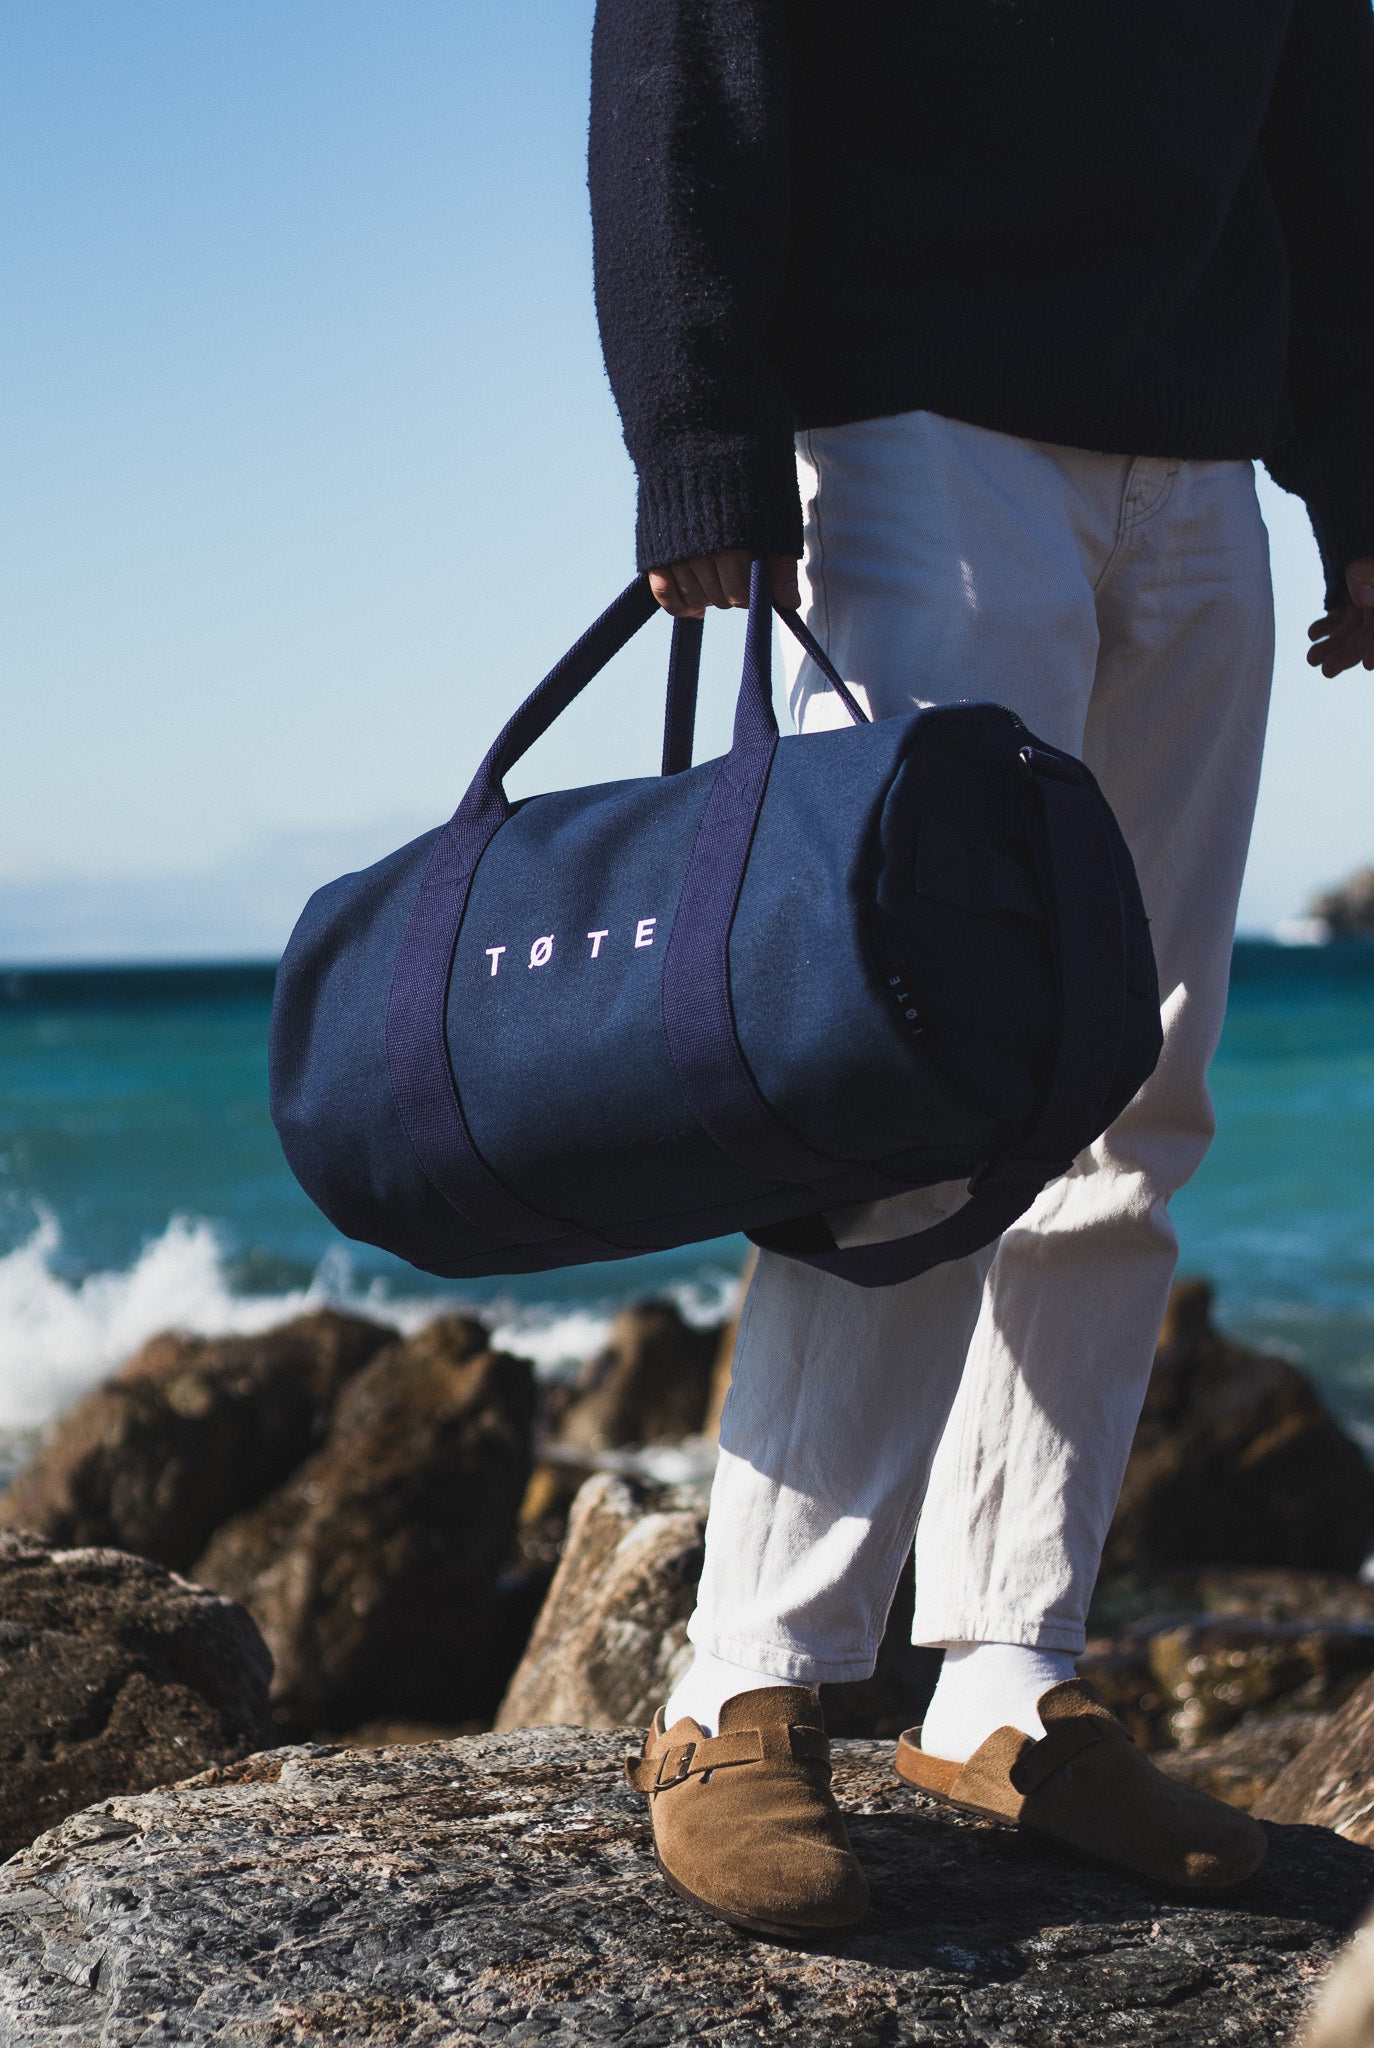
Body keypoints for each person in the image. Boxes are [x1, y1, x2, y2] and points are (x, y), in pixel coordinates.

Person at [591, 0, 1374, 1939]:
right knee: (910, 1073)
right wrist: (697, 432)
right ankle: (743, 1679)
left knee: (1137, 1091)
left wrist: (1358, 481)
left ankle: (1004, 1677)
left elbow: (1326, 121)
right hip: (913, 435)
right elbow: (690, 51)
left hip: (1196, 464)